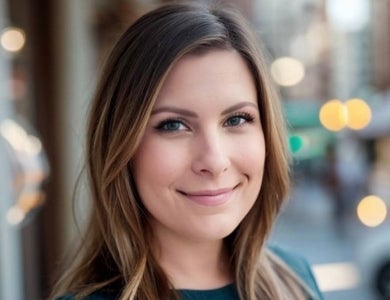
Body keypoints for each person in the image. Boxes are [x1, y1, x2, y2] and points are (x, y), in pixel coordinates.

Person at [50, 1, 323, 299]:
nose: (215, 161)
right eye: (173, 125)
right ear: (121, 144)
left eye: (236, 119)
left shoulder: (297, 280)